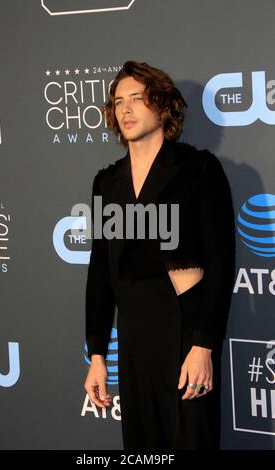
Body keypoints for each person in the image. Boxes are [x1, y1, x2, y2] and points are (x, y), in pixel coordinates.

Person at [84, 60, 236, 449]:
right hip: (135, 337)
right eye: (119, 102)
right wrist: (98, 354)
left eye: (137, 98)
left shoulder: (197, 170)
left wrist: (204, 345)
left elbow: (221, 263)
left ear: (162, 105)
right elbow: (100, 272)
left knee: (191, 438)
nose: (127, 110)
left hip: (185, 329)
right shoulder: (107, 182)